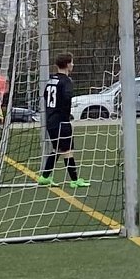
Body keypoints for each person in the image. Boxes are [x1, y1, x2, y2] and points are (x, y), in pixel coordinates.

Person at [37, 53, 90, 189]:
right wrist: (67, 115)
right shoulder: (66, 81)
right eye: (71, 63)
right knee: (67, 150)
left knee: (58, 149)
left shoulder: (50, 80)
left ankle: (44, 177)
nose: (73, 65)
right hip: (61, 121)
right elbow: (66, 98)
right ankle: (74, 180)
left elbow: (45, 96)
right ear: (67, 65)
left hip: (50, 121)